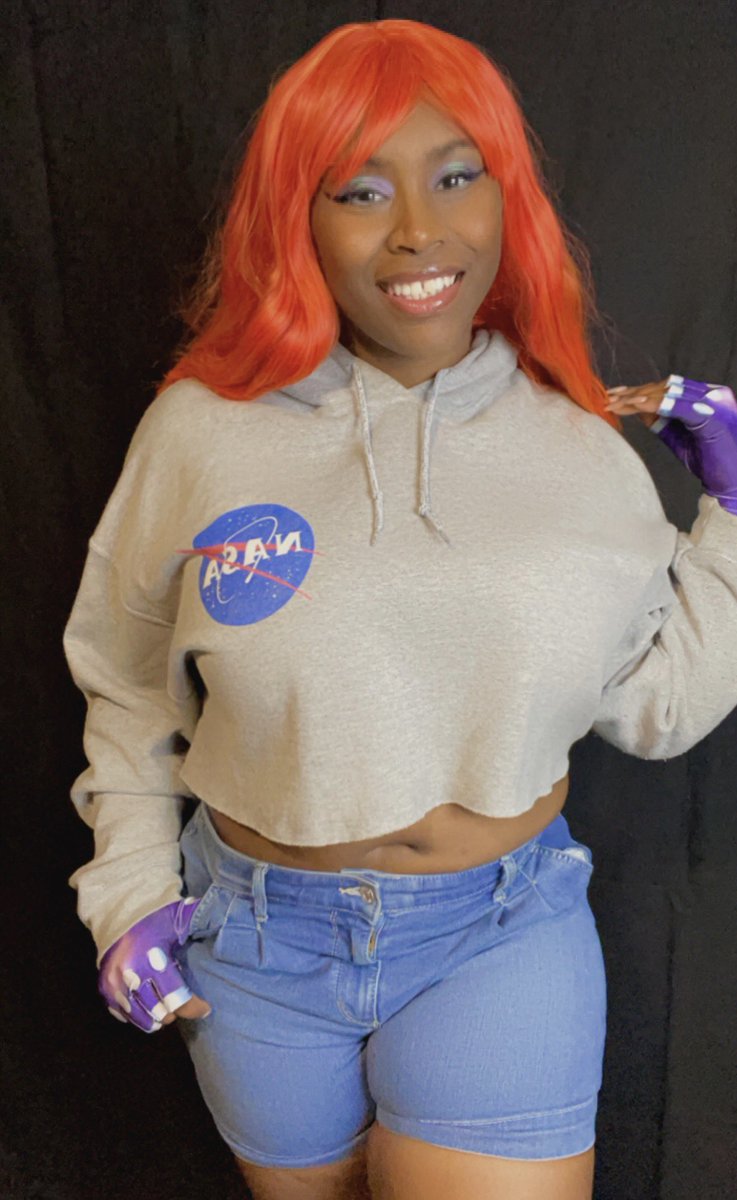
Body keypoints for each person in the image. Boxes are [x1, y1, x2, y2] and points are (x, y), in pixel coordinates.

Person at [62, 18, 737, 1200]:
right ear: (297, 220)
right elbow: (125, 684)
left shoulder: (578, 447)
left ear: (506, 197)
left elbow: (659, 709)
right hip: (252, 942)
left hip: (494, 931)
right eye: (360, 191)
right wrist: (127, 894)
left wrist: (730, 517)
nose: (419, 229)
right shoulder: (199, 433)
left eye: (456, 176)